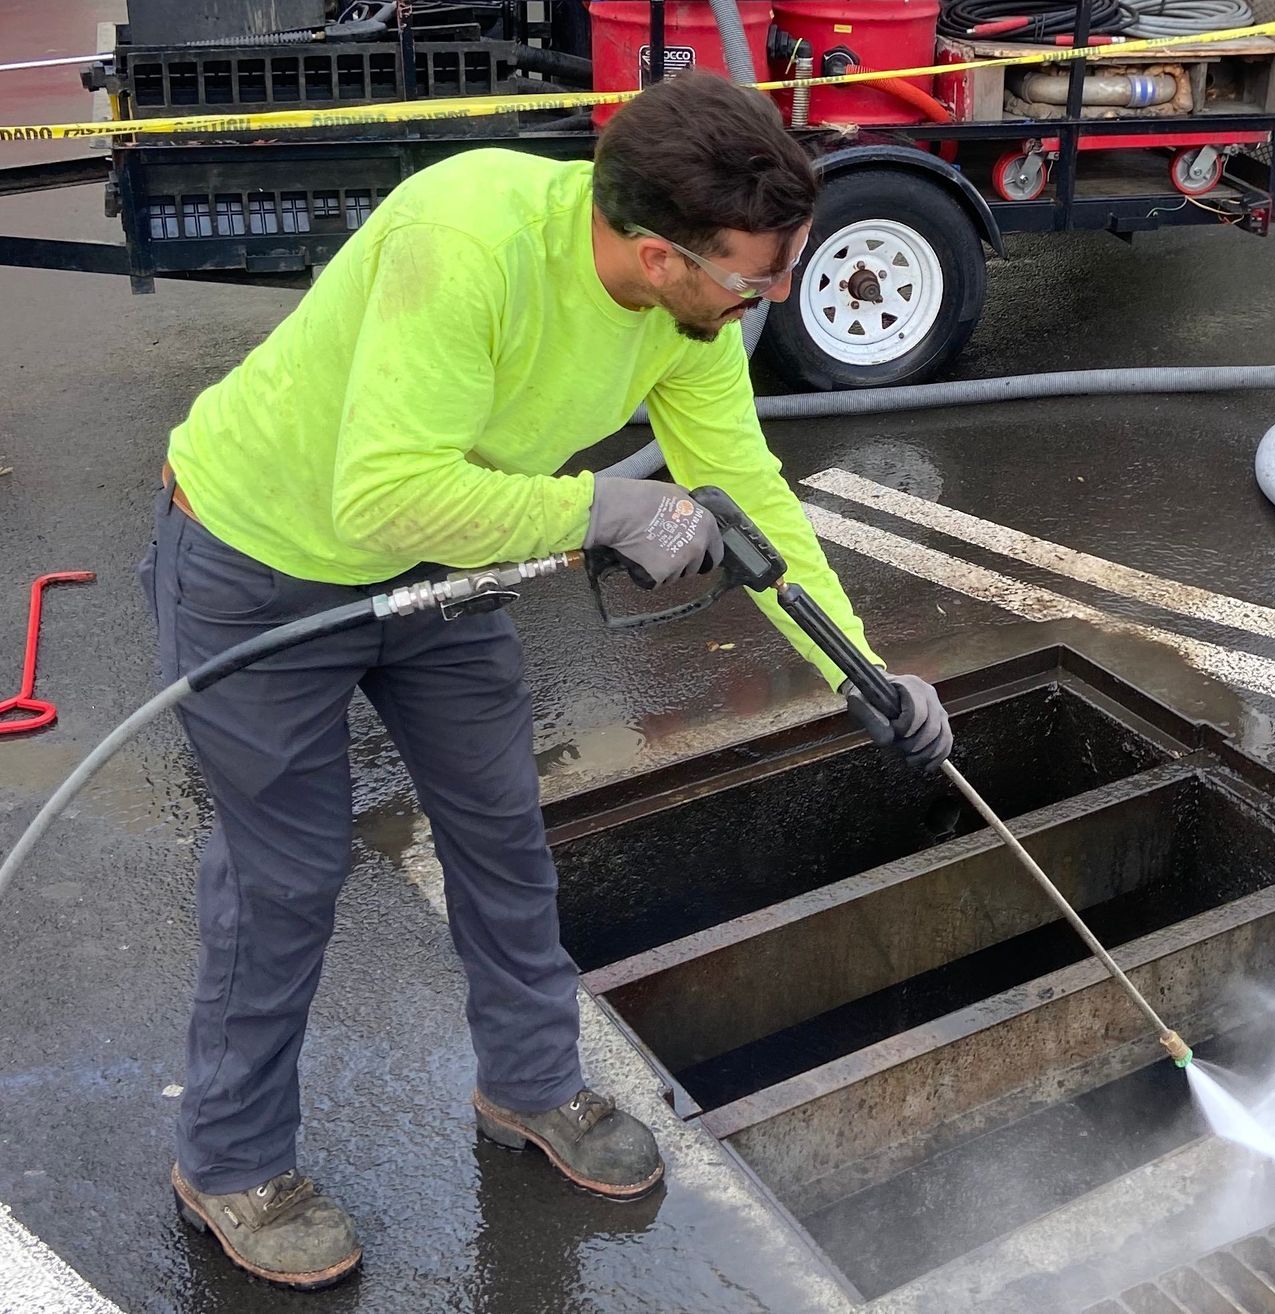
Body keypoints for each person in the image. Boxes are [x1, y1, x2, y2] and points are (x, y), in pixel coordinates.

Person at [139, 70, 952, 1290]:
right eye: (751, 277)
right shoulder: (466, 240)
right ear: (650, 247)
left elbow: (750, 490)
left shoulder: (690, 320)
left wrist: (859, 666)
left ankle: (532, 1086)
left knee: (503, 833)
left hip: (442, 561)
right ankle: (232, 1161)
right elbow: (381, 490)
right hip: (263, 558)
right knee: (285, 875)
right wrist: (602, 506)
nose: (769, 302)